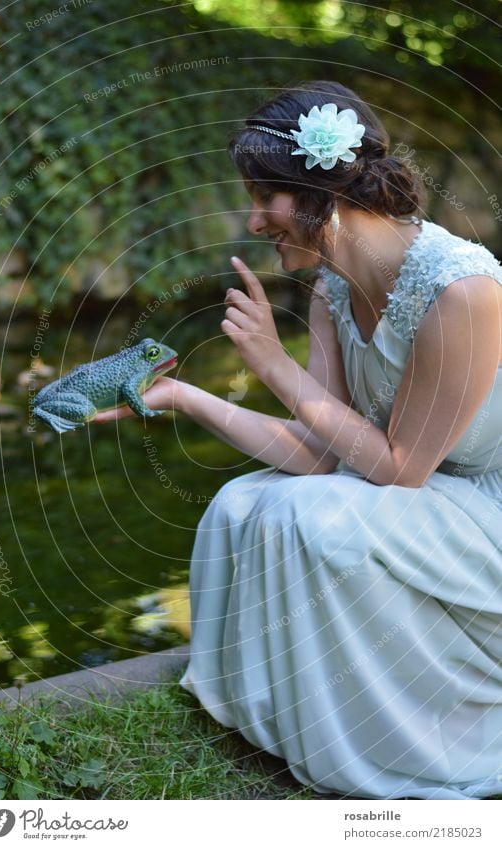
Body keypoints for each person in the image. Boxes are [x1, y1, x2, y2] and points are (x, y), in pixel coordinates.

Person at [95, 81, 502, 800]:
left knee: (305, 514)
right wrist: (185, 395)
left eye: (265, 197)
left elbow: (401, 469)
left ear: (325, 193)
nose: (253, 218)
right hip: (432, 497)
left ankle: (403, 744)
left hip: (483, 507)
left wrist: (275, 368)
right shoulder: (333, 288)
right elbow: (323, 451)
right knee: (240, 501)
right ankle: (285, 719)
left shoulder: (461, 290)